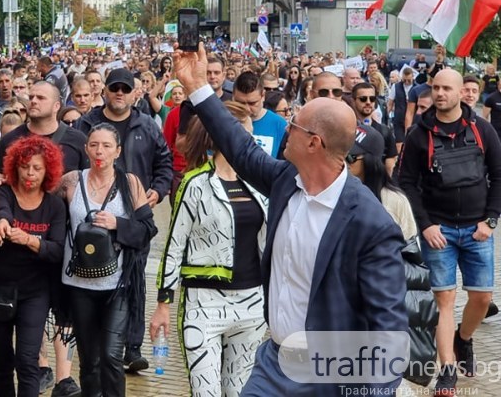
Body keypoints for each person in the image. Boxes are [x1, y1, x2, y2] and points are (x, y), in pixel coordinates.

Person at [173, 42, 407, 396]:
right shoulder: (286, 181)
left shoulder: (370, 223)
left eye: (293, 125)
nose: (284, 127)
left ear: (313, 143)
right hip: (274, 363)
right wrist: (196, 87)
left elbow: (389, 327)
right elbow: (239, 147)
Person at [151, 102, 268, 396]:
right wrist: (163, 303)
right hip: (203, 305)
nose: (252, 141)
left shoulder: (259, 183)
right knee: (206, 392)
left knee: (239, 390)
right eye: (246, 134)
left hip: (252, 303)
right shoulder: (195, 183)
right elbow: (174, 245)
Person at [398, 68, 501, 394]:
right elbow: (406, 183)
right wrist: (425, 224)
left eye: (446, 88)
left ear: (461, 92)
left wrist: (491, 220)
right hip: (438, 232)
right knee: (444, 300)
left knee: (482, 298)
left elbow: (499, 175)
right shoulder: (418, 135)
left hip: (477, 231)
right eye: (435, 88)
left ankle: (464, 338)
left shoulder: (482, 130)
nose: (440, 93)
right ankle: (447, 369)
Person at [74, 68, 172, 372]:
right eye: (114, 88)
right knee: (92, 279)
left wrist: (157, 190)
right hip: (93, 223)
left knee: (134, 281)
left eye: (125, 89)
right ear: (104, 91)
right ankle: (97, 341)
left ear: (134, 93)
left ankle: (131, 346)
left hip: (133, 220)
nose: (119, 93)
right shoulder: (87, 124)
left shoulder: (147, 125)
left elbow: (164, 162)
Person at [57, 124, 156, 397]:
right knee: (90, 360)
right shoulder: (71, 181)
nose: (99, 151)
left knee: (112, 355)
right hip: (78, 284)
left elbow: (147, 230)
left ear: (118, 151)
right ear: (86, 148)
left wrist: (118, 224)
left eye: (107, 146)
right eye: (94, 145)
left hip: (117, 286)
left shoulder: (130, 183)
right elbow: (44, 211)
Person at [0, 136, 66, 397]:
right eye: (25, 166)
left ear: (47, 170)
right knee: (2, 362)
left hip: (34, 292)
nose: (30, 173)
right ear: (15, 166)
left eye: (37, 168)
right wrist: (3, 222)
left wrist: (30, 240)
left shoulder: (55, 206)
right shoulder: (2, 192)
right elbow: (0, 208)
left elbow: (58, 250)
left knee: (28, 361)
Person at [233, 72, 286, 158]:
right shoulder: (225, 121)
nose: (247, 109)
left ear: (263, 96)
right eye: (240, 103)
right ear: (233, 97)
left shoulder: (280, 124)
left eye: (252, 103)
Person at [351, 82, 398, 176]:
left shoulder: (385, 131)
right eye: (363, 99)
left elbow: (391, 159)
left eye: (372, 99)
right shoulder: (346, 130)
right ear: (353, 101)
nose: (368, 102)